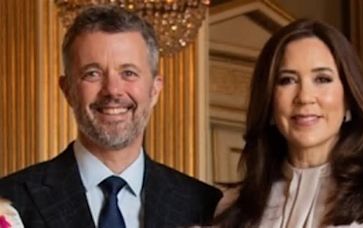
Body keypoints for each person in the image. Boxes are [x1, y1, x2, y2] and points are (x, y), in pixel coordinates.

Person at [0, 5, 221, 228]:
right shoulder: (11, 200)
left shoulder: (206, 206)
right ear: (67, 90)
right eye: (93, 73)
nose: (113, 90)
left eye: (129, 73)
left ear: (155, 90)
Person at [214, 19, 363, 227]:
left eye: (322, 79)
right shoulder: (229, 207)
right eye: (287, 80)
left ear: (348, 96)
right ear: (269, 100)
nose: (304, 97)